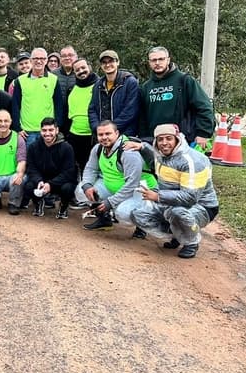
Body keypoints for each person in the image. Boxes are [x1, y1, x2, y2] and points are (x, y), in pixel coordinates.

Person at [130, 124, 219, 259]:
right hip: (170, 202)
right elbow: (153, 158)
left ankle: (191, 242)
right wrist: (142, 146)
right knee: (138, 214)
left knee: (177, 212)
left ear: (177, 139)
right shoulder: (161, 155)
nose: (164, 143)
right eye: (160, 139)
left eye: (168, 138)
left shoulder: (193, 161)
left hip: (202, 207)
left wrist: (158, 196)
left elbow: (190, 197)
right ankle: (178, 235)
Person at [77, 120, 157, 234]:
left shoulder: (128, 151)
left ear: (117, 133)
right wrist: (87, 185)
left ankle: (142, 222)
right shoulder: (98, 148)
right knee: (81, 190)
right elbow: (91, 169)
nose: (104, 137)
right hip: (114, 186)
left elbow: (132, 184)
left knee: (123, 213)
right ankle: (104, 220)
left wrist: (110, 202)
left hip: (140, 191)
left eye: (108, 134)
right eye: (101, 135)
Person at [138, 46, 215, 149]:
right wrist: (144, 139)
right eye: (153, 60)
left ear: (168, 60)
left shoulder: (185, 81)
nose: (157, 63)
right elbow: (142, 117)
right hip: (156, 142)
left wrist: (203, 133)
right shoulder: (146, 87)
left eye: (161, 59)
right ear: (149, 63)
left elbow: (204, 107)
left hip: (184, 141)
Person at [22, 117, 77, 218]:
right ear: (40, 131)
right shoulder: (33, 147)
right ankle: (38, 203)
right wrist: (38, 180)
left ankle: (63, 207)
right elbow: (31, 168)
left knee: (68, 188)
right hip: (42, 181)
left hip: (60, 182)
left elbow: (69, 172)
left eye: (51, 130)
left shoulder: (67, 147)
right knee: (28, 185)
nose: (47, 133)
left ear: (57, 130)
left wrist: (51, 184)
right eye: (44, 130)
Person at [11, 47, 64, 146]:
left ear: (46, 61)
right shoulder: (20, 80)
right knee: (30, 161)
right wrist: (17, 128)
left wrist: (57, 126)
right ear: (31, 60)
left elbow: (59, 105)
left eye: (42, 58)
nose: (39, 61)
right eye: (35, 58)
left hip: (47, 131)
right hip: (27, 133)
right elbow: (15, 105)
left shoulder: (53, 79)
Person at [88, 50, 140, 136]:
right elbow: (92, 109)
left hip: (125, 134)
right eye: (104, 62)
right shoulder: (98, 85)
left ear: (118, 62)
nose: (107, 65)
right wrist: (97, 127)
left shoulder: (129, 82)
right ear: (101, 65)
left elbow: (131, 110)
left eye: (111, 61)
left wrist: (111, 128)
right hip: (103, 135)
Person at [64, 58, 97, 176]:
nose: (81, 71)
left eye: (83, 68)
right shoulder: (71, 89)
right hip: (74, 136)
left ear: (90, 67)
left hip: (93, 136)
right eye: (77, 70)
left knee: (93, 168)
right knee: (79, 167)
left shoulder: (99, 86)